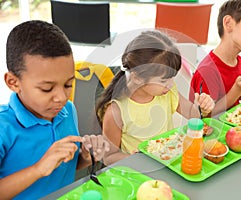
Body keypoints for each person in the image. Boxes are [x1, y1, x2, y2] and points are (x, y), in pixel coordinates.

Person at [0, 20, 109, 199]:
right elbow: (44, 168)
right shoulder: (4, 127)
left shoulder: (67, 110)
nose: (61, 97)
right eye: (47, 88)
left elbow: (67, 166)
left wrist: (86, 157)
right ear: (13, 82)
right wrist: (38, 169)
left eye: (68, 84)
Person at [96, 30, 215, 165]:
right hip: (139, 173)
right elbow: (109, 157)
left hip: (169, 165)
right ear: (137, 78)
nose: (170, 85)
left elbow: (195, 116)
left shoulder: (167, 92)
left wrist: (204, 108)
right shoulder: (116, 111)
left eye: (172, 78)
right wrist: (137, 159)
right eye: (163, 81)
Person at [189, 0, 241, 115]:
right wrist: (237, 89)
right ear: (228, 23)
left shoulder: (239, 62)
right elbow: (207, 114)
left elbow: (230, 99)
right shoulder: (208, 71)